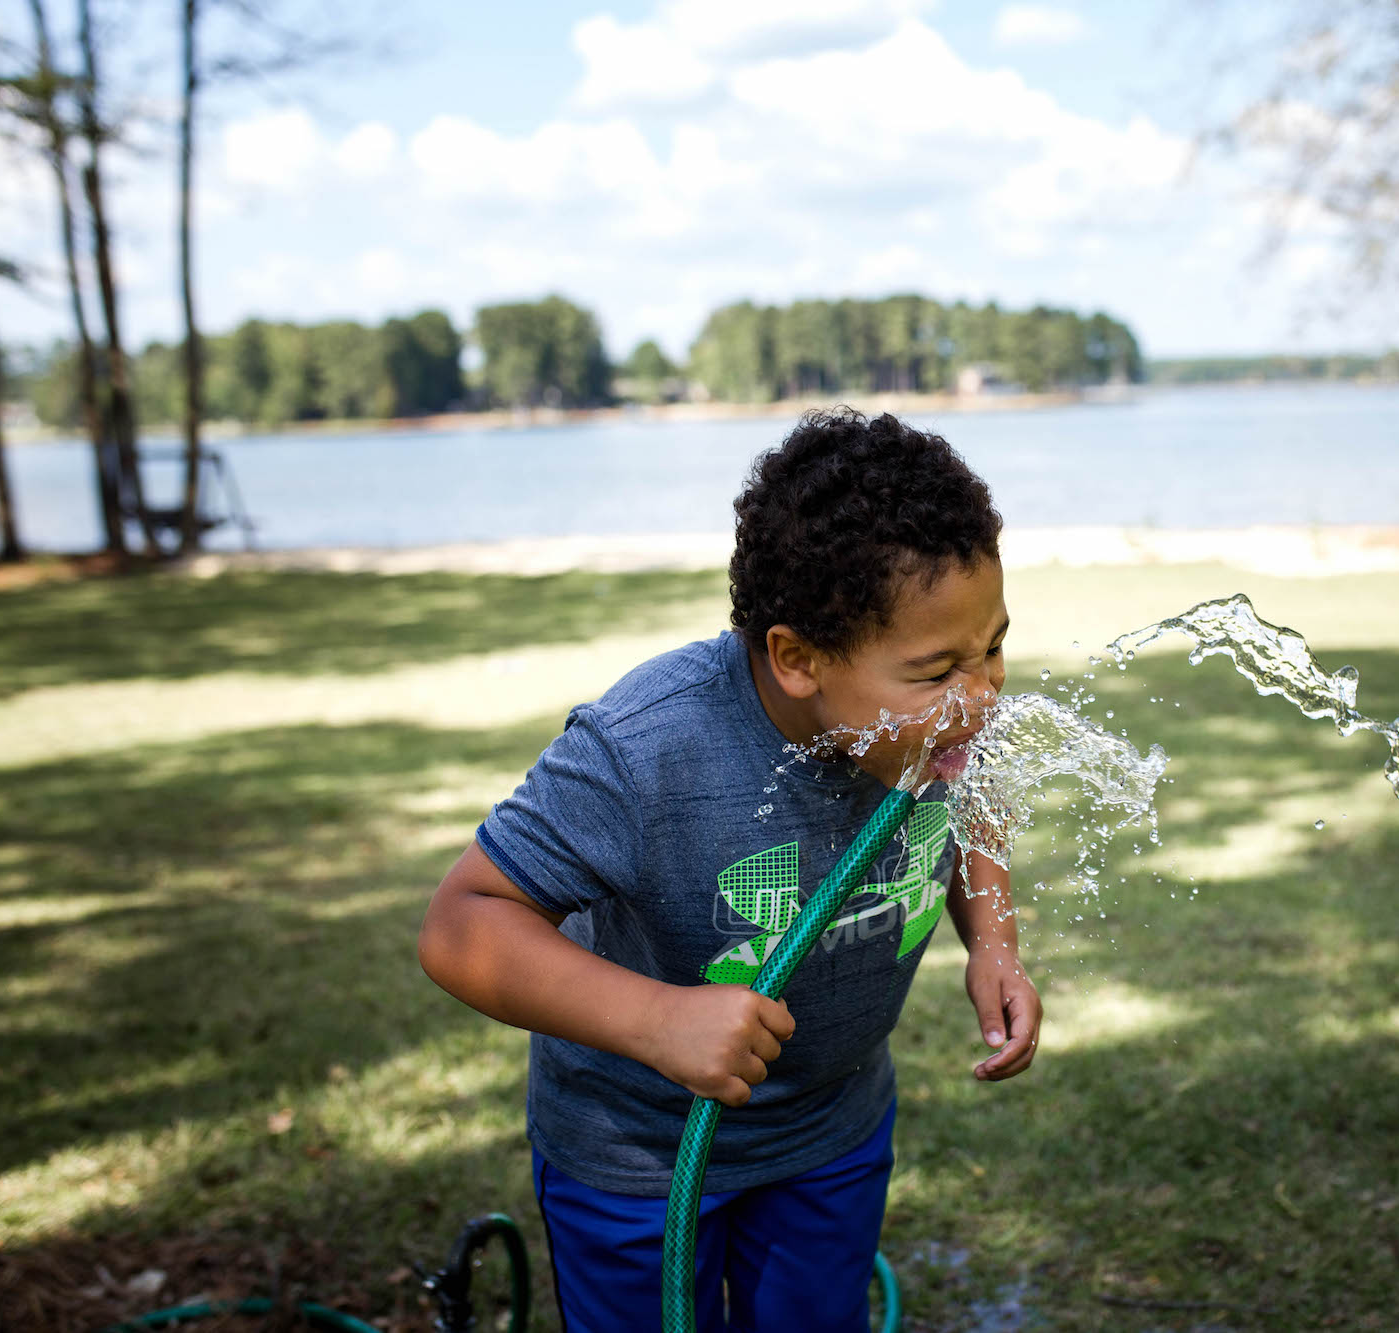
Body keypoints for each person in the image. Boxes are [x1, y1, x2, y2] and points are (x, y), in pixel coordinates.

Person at [417, 407, 1042, 1332]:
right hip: (642, 1157)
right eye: (940, 667)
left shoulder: (940, 724)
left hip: (831, 1132)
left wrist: (992, 936)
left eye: (993, 647)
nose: (983, 695)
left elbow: (969, 792)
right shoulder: (648, 748)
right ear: (796, 658)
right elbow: (461, 923)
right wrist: (656, 1017)